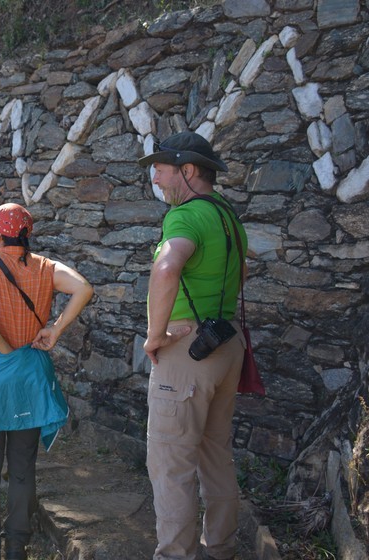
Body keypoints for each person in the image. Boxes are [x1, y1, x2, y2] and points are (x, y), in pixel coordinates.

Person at [0, 203, 94, 560]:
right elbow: (83, 288)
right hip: (30, 374)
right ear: (27, 235)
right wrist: (55, 330)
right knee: (22, 468)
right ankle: (17, 548)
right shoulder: (46, 268)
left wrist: (4, 352)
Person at [138, 131, 248, 560]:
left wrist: (155, 335)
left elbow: (167, 269)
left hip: (187, 354)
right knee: (215, 454)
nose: (156, 178)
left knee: (171, 465)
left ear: (188, 170)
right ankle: (221, 549)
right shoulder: (228, 216)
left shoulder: (183, 217)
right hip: (225, 345)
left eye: (161, 169)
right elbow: (240, 275)